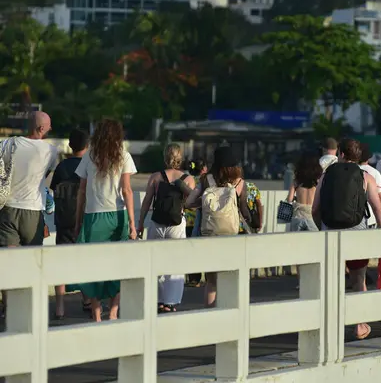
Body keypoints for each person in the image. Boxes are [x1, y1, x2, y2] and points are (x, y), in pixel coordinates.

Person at [312, 138, 381, 340]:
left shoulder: (327, 175)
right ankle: (360, 325)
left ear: (341, 154)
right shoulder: (365, 177)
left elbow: (315, 208)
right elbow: (378, 209)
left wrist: (322, 227)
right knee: (358, 280)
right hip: (357, 231)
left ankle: (330, 325)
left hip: (330, 230)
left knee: (332, 280)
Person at [74, 119, 137, 322]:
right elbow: (127, 190)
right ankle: (114, 312)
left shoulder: (89, 156)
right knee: (119, 265)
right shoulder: (124, 156)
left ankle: (97, 313)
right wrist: (133, 225)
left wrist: (78, 223)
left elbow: (81, 191)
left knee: (93, 265)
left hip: (93, 216)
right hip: (118, 214)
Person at [0, 111, 57, 318]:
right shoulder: (51, 151)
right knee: (32, 262)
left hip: (8, 208)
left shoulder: (8, 145)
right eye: (49, 126)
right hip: (33, 211)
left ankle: (9, 308)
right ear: (41, 128)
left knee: (9, 262)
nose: (50, 129)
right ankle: (30, 308)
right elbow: (44, 176)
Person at [185, 146, 250, 308]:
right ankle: (230, 312)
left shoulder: (206, 180)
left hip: (210, 234)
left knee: (212, 281)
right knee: (230, 277)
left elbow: (188, 203)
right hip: (231, 236)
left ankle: (210, 314)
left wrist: (206, 204)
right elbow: (244, 210)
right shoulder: (239, 182)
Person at [138, 144, 196, 313]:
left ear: (165, 157)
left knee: (154, 262)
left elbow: (147, 202)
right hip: (176, 224)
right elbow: (191, 204)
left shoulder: (156, 177)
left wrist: (140, 223)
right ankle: (170, 302)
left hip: (157, 223)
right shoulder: (188, 179)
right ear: (180, 158)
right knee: (175, 264)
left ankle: (156, 299)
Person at [49, 128, 90, 319]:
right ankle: (88, 300)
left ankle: (60, 307)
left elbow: (54, 190)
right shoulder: (89, 165)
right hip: (83, 219)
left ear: (70, 146)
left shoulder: (62, 167)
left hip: (64, 220)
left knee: (61, 263)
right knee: (85, 261)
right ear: (87, 145)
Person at [286, 151, 322, 232]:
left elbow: (289, 199)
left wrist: (296, 198)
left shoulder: (296, 181)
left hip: (298, 216)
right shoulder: (318, 181)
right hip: (312, 217)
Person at [358, 143, 381, 229]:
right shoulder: (374, 172)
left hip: (353, 218)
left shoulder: (351, 170)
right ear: (369, 158)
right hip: (370, 218)